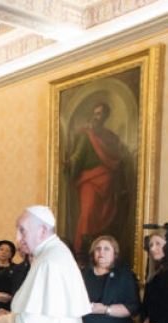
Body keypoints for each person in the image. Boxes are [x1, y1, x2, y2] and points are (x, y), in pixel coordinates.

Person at [67, 102, 129, 255]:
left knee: (106, 215)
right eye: (95, 113)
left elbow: (117, 160)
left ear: (106, 116)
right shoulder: (86, 135)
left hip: (107, 180)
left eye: (100, 113)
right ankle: (82, 250)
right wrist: (69, 164)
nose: (97, 117)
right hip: (89, 179)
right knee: (87, 214)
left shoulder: (111, 137)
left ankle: (100, 250)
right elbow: (78, 156)